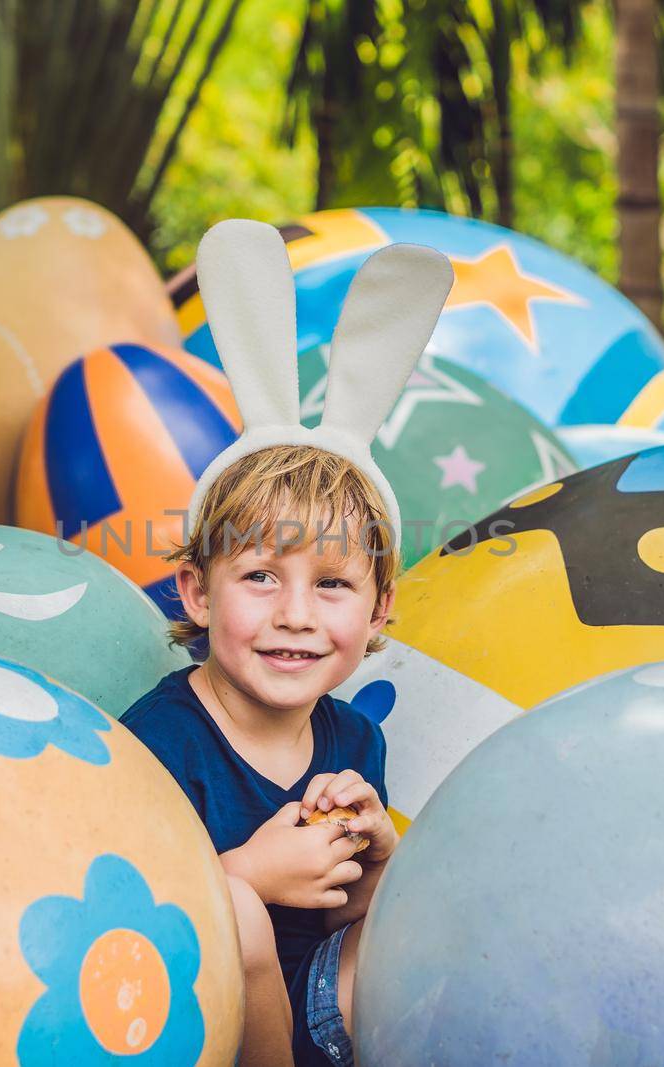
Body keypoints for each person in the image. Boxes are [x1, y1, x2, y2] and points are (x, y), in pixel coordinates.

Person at [119, 218, 454, 1065]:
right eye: (261, 576)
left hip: (329, 1009)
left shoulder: (352, 740)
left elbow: (354, 917)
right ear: (197, 590)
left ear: (379, 611)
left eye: (334, 584)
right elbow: (133, 920)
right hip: (214, 1024)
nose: (296, 613)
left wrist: (379, 857)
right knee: (228, 909)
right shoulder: (157, 742)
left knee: (452, 898)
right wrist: (246, 876)